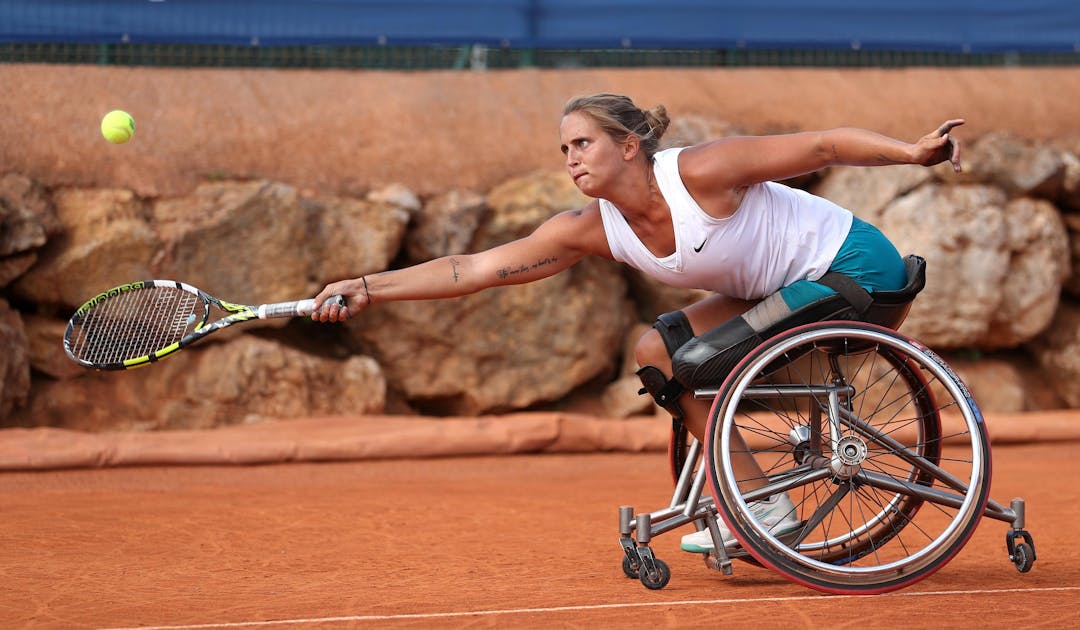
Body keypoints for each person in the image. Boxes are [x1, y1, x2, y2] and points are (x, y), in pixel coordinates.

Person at [311, 92, 963, 553]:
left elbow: (821, 145)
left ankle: (756, 503)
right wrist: (368, 287)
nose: (571, 158)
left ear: (629, 146)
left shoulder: (702, 173)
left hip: (855, 272)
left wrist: (912, 153)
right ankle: (764, 499)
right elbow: (472, 269)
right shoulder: (589, 230)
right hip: (788, 290)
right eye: (564, 148)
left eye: (583, 142)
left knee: (700, 360)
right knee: (657, 351)